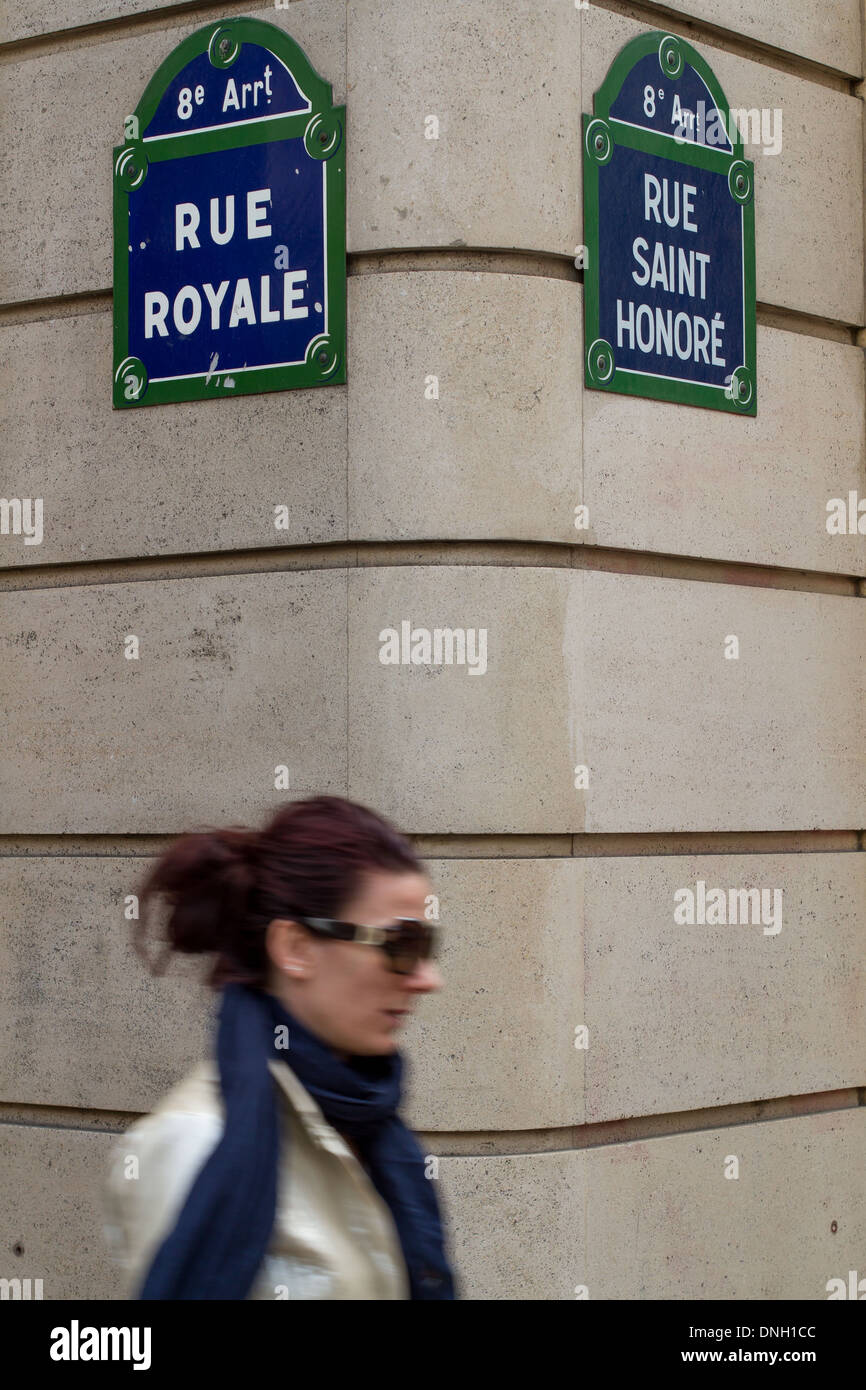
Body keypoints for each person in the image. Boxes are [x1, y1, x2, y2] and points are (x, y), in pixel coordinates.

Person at [102, 794, 455, 1300]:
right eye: (401, 946)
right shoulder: (195, 1142)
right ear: (295, 949)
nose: (428, 979)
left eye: (428, 947)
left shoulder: (366, 1124)